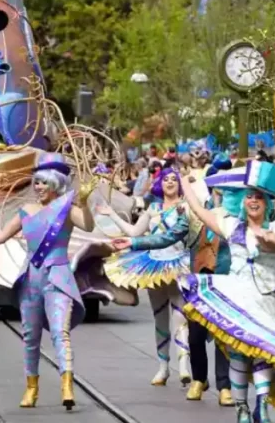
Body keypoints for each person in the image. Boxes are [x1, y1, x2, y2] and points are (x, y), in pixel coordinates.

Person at [0, 152, 94, 410]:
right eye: (36, 182)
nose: (38, 187)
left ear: (56, 184)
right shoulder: (26, 210)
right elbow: (0, 236)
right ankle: (32, 388)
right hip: (31, 278)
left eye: (43, 182)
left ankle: (67, 386)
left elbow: (88, 226)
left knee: (61, 333)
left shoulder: (69, 210)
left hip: (58, 277)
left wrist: (83, 202)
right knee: (30, 336)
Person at [173, 161, 275, 423]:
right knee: (240, 354)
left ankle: (261, 405)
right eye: (249, 196)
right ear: (242, 201)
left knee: (264, 351)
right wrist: (186, 184)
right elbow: (199, 211)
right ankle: (242, 408)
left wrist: (265, 239)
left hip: (264, 300)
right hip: (238, 298)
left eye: (259, 197)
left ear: (267, 203)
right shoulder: (233, 226)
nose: (253, 201)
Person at [107, 157, 234, 407]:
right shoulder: (183, 213)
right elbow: (164, 237)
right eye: (213, 187)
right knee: (186, 329)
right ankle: (186, 373)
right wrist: (132, 242)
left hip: (212, 275)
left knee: (212, 330)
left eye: (221, 189)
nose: (216, 193)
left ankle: (217, 383)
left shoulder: (231, 216)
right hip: (185, 273)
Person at [102, 167, 191, 385]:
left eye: (174, 179)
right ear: (160, 183)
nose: (170, 182)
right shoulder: (153, 208)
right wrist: (111, 214)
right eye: (166, 179)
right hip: (153, 267)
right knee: (160, 317)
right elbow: (134, 233)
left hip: (180, 264)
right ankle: (163, 367)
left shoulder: (186, 208)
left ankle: (183, 365)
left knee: (181, 316)